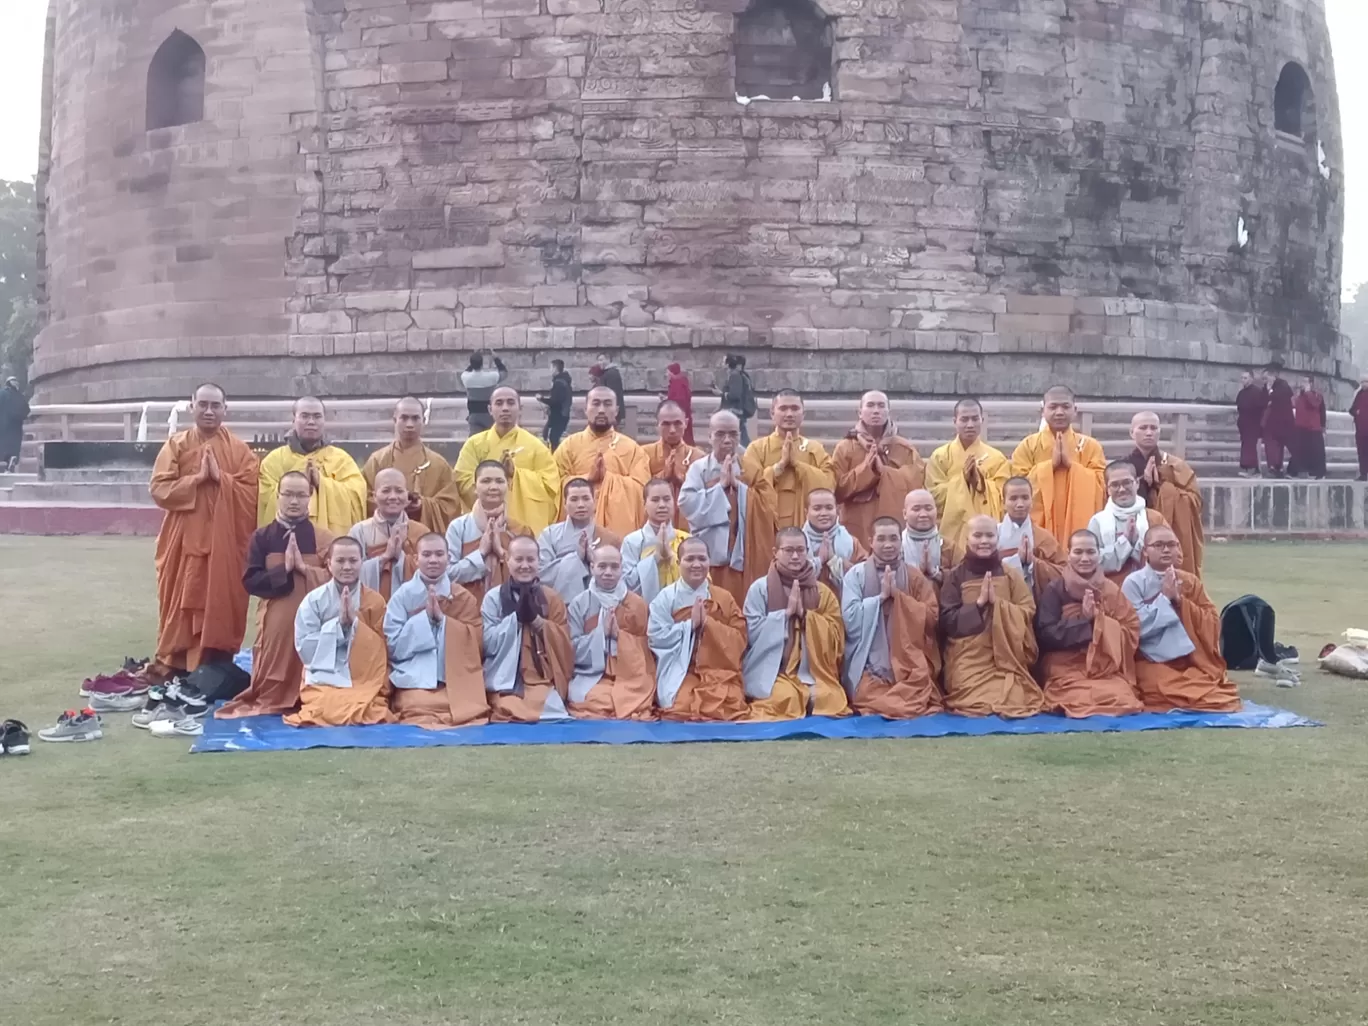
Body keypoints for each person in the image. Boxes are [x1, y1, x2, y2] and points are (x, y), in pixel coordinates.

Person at [149, 383, 260, 679]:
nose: (209, 411)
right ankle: (176, 659)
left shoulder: (240, 451)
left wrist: (221, 479)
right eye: (203, 405)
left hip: (224, 542)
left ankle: (215, 658)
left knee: (220, 598)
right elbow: (159, 490)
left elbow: (253, 492)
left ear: (226, 409)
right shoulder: (177, 445)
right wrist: (196, 480)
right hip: (184, 539)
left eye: (215, 405)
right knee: (181, 598)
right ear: (192, 406)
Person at [219, 472, 334, 719]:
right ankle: (276, 696)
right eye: (288, 494)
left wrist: (306, 570)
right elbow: (250, 580)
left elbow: (339, 579)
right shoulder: (262, 537)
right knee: (273, 677)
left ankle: (310, 695)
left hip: (317, 619)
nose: (294, 501)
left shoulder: (324, 538)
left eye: (301, 495)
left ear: (310, 498)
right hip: (277, 621)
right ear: (278, 496)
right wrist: (285, 571)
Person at [1122, 525, 1241, 713]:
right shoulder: (1134, 583)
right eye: (1159, 545)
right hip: (1150, 660)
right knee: (1168, 690)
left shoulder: (1190, 581)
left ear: (1178, 549)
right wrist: (1164, 599)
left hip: (1190, 659)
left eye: (1171, 544)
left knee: (1216, 695)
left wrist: (1180, 601)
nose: (1166, 550)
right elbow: (1134, 627)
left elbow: (1212, 621)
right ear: (1146, 550)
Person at [939, 515, 1046, 718]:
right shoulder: (955, 576)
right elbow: (947, 621)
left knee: (1017, 696)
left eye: (989, 535)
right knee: (971, 696)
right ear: (967, 539)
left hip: (1007, 655)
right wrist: (978, 605)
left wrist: (999, 605)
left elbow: (1028, 608)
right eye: (977, 535)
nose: (984, 541)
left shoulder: (1009, 573)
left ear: (997, 538)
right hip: (969, 656)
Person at [840, 516, 942, 718]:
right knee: (866, 694)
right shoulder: (856, 575)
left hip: (908, 664)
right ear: (871, 541)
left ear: (900, 541)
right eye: (881, 539)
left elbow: (932, 617)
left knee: (918, 689)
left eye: (894, 538)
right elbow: (849, 618)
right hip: (870, 665)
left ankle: (888, 703)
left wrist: (900, 598)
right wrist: (880, 599)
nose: (888, 544)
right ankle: (887, 703)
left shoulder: (914, 576)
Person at [742, 527, 849, 721]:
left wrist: (806, 616)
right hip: (775, 671)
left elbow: (836, 635)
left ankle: (806, 698)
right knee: (785, 698)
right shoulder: (760, 589)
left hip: (813, 670)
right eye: (788, 550)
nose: (795, 556)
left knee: (828, 698)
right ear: (775, 553)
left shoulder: (822, 591)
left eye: (801, 550)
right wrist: (785, 615)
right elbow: (751, 634)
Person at [384, 533, 489, 729]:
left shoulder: (462, 597)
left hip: (454, 677)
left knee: (464, 705)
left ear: (449, 558)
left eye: (439, 554)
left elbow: (477, 643)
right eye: (427, 554)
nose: (433, 560)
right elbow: (393, 645)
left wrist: (443, 622)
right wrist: (423, 621)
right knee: (416, 704)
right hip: (416, 677)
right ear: (416, 559)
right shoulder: (402, 597)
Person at [286, 536, 394, 727]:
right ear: (329, 564)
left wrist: (355, 627)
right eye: (340, 561)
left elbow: (382, 648)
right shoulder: (314, 601)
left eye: (353, 561)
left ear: (362, 562)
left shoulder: (375, 602)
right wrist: (338, 629)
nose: (347, 567)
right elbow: (304, 646)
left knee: (370, 707)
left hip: (362, 676)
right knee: (323, 707)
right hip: (324, 674)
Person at [1035, 529, 1143, 718]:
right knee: (1075, 696)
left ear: (1099, 554)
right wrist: (1086, 622)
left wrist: (1099, 622)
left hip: (1103, 666)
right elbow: (1046, 634)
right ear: (1068, 554)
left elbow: (1130, 628)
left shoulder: (1110, 590)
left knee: (1121, 696)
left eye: (1091, 552)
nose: (1085, 558)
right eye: (1078, 552)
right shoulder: (1056, 589)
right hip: (1064, 663)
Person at [677, 409, 776, 607]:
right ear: (710, 436)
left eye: (733, 434)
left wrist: (740, 488)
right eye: (721, 434)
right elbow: (687, 504)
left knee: (740, 609)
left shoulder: (750, 468)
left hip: (743, 557)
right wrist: (720, 487)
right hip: (710, 557)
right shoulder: (699, 468)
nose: (728, 440)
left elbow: (769, 506)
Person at [648, 536, 749, 721]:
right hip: (681, 671)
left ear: (709, 562)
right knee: (680, 707)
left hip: (718, 672)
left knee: (729, 702)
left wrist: (709, 624)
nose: (696, 564)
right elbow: (656, 638)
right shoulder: (665, 598)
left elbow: (740, 639)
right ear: (678, 563)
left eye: (702, 559)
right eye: (690, 559)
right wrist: (689, 626)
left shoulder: (723, 597)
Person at [480, 535, 574, 722]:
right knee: (507, 706)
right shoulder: (493, 598)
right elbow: (487, 643)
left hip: (539, 677)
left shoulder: (551, 598)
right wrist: (515, 621)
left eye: (530, 559)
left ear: (539, 562)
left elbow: (564, 644)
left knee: (554, 709)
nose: (525, 565)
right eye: (519, 559)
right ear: (507, 561)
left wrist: (537, 621)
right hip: (505, 678)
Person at [566, 543, 657, 720]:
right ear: (592, 568)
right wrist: (600, 635)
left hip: (631, 675)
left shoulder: (637, 604)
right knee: (594, 699)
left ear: (622, 569)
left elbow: (648, 649)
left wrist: (619, 637)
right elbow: (570, 648)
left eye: (614, 567)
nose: (608, 572)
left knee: (631, 696)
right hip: (593, 675)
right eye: (602, 566)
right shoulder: (579, 603)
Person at [454, 385, 560, 536]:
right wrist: (492, 482)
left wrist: (515, 475)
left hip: (523, 527)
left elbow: (550, 486)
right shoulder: (474, 444)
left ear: (520, 408)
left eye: (511, 403)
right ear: (490, 409)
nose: (505, 408)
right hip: (482, 526)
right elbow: (462, 480)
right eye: (499, 403)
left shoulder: (536, 446)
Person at [257, 396, 367, 535]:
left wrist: (322, 482)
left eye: (317, 416)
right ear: (293, 421)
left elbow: (356, 494)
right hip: (283, 542)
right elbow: (266, 501)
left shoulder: (341, 459)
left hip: (328, 544)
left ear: (324, 421)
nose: (311, 422)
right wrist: (297, 481)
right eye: (304, 416)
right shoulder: (274, 460)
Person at [1010, 385, 1106, 542]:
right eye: (1053, 407)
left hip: (1079, 528)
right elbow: (1016, 486)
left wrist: (1071, 466)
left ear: (1075, 410)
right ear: (1043, 410)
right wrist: (1049, 466)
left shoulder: (1090, 446)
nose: (1059, 412)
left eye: (1066, 407)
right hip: (1039, 528)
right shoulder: (1028, 446)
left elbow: (1102, 486)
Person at [832, 390, 926, 549]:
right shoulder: (845, 448)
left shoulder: (903, 448)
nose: (876, 410)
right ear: (860, 412)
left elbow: (916, 486)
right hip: (858, 522)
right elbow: (837, 489)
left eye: (881, 406)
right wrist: (866, 470)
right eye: (870, 405)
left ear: (889, 412)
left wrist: (885, 473)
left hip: (894, 521)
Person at [555, 385, 651, 536]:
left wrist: (609, 480)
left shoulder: (632, 449)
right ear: (585, 409)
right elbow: (554, 486)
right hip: (575, 533)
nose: (601, 410)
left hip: (617, 534)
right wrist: (587, 479)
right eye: (595, 403)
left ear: (617, 410)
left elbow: (643, 491)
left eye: (607, 404)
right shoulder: (568, 446)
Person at [361, 396, 463, 534]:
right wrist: (391, 505)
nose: (410, 424)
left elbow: (450, 506)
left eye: (415, 418)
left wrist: (423, 506)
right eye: (404, 418)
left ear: (423, 421)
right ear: (395, 420)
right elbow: (363, 498)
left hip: (424, 538)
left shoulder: (438, 464)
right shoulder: (377, 460)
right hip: (383, 534)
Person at [926, 398, 1010, 558]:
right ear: (954, 421)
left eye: (975, 419)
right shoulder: (940, 456)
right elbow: (933, 496)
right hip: (952, 531)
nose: (970, 424)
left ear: (982, 420)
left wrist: (980, 482)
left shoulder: (996, 458)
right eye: (964, 419)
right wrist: (962, 480)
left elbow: (1003, 497)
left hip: (985, 534)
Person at [1125, 411, 1204, 575]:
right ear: (1132, 432)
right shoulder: (1122, 467)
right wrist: (1142, 484)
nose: (1149, 432)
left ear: (1159, 432)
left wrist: (1162, 486)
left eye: (1153, 428)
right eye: (1143, 428)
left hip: (1169, 534)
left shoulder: (1175, 466)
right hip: (1134, 531)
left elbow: (1195, 501)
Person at [743, 389, 834, 531]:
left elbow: (829, 485)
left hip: (806, 528)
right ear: (772, 413)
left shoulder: (815, 449)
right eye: (783, 409)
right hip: (767, 526)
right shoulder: (757, 449)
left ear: (803, 414)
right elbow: (750, 486)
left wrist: (797, 465)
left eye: (795, 409)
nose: (789, 414)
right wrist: (779, 467)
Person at [444, 460, 533, 603]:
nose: (493, 487)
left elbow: (531, 574)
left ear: (508, 485)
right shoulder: (458, 527)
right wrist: (480, 554)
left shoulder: (520, 529)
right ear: (474, 487)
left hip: (511, 607)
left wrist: (501, 553)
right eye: (486, 481)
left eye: (499, 481)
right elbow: (446, 575)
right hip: (467, 607)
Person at [537, 478, 622, 601]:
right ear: (565, 504)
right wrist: (576, 558)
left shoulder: (610, 539)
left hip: (599, 605)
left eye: (586, 498)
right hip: (556, 606)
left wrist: (592, 560)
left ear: (595, 502)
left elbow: (618, 578)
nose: (581, 505)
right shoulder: (549, 534)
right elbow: (541, 574)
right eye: (574, 499)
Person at [349, 468, 427, 600]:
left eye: (399, 491)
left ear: (407, 496)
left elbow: (431, 574)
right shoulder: (359, 531)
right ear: (374, 496)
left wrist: (401, 557)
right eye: (385, 491)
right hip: (370, 609)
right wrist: (384, 558)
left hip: (412, 608)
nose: (393, 497)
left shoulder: (421, 532)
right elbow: (349, 573)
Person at [1087, 461, 1169, 585]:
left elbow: (1172, 556)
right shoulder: (1097, 522)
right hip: (1110, 593)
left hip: (1150, 591)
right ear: (1107, 489)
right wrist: (1125, 542)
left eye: (1127, 483)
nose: (1121, 489)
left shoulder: (1154, 518)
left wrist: (1137, 545)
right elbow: (1090, 561)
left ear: (1137, 483)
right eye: (1115, 485)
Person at [621, 478, 690, 602]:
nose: (662, 505)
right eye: (655, 500)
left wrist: (671, 557)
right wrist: (656, 558)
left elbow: (698, 577)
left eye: (667, 499)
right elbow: (626, 584)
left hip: (680, 607)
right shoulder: (632, 541)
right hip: (644, 611)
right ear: (644, 505)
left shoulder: (685, 540)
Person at [998, 476, 1065, 597]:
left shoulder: (1044, 537)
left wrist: (1033, 563)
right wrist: (1016, 560)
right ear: (1003, 503)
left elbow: (1064, 572)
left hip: (1034, 600)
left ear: (1032, 501)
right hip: (1001, 599)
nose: (1020, 504)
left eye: (1025, 498)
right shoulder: (994, 533)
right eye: (1013, 498)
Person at [642, 400, 703, 529]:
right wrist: (663, 477)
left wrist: (681, 480)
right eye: (666, 424)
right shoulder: (643, 454)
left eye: (677, 423)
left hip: (688, 528)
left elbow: (705, 497)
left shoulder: (698, 457)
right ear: (657, 425)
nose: (672, 430)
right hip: (652, 527)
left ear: (686, 423)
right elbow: (638, 491)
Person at [803, 487, 866, 596]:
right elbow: (789, 576)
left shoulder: (851, 542)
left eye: (829, 508)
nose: (823, 513)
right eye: (817, 508)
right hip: (807, 606)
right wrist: (819, 561)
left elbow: (864, 578)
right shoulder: (796, 543)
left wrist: (834, 560)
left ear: (837, 511)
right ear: (806, 512)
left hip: (843, 605)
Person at [901, 488, 951, 585]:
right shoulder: (897, 546)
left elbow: (962, 577)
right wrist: (919, 572)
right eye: (916, 509)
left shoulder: (948, 545)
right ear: (905, 514)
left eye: (928, 508)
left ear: (936, 511)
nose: (923, 514)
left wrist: (935, 573)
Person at [1290, 375, 1327, 479]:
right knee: (1299, 451)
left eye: (1305, 381)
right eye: (1302, 381)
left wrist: (1307, 393)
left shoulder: (1316, 395)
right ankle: (1299, 471)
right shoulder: (1300, 396)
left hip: (1313, 427)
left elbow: (1315, 405)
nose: (1303, 383)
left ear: (1311, 383)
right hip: (1301, 427)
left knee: (1316, 452)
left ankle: (1318, 473)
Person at [1261, 363, 1295, 478]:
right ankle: (1274, 467)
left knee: (1281, 446)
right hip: (1272, 422)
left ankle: (1281, 468)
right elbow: (1264, 401)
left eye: (1266, 378)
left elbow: (1277, 399)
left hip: (1283, 422)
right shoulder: (1266, 387)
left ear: (1273, 376)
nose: (1264, 381)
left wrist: (1270, 393)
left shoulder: (1283, 385)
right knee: (1271, 446)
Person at [461, 351, 507, 433]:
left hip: (474, 415)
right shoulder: (492, 376)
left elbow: (467, 370)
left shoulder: (466, 378)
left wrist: (475, 356)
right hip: (489, 414)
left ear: (471, 363)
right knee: (491, 438)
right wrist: (496, 359)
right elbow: (504, 372)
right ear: (482, 363)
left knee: (475, 440)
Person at [719, 353, 758, 446]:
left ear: (728, 364)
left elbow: (735, 395)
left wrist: (721, 394)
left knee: (741, 440)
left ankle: (749, 455)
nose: (722, 364)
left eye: (724, 361)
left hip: (735, 412)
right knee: (741, 438)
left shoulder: (734, 375)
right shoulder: (741, 375)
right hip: (738, 412)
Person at [1235, 370, 1267, 477]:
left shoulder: (1257, 392)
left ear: (1251, 379)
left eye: (1245, 378)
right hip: (1244, 423)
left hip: (1253, 423)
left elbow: (1261, 408)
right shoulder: (1241, 393)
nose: (1243, 380)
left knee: (1251, 447)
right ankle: (1247, 468)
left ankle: (1253, 470)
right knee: (1246, 446)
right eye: (1242, 378)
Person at [538, 358, 573, 449]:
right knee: (551, 436)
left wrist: (542, 399)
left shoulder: (559, 383)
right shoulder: (564, 381)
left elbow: (555, 401)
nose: (550, 370)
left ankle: (556, 457)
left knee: (552, 438)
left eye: (551, 367)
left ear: (555, 368)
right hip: (560, 414)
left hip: (559, 415)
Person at [0, 376, 28, 472]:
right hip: (16, 427)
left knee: (3, 447)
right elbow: (27, 411)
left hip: (3, 426)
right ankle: (11, 463)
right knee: (14, 448)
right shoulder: (19, 396)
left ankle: (5, 467)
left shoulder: (2, 394)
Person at [664, 362, 696, 446]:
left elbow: (679, 399)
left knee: (683, 435)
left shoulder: (677, 383)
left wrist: (668, 400)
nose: (667, 374)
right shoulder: (681, 381)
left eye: (668, 372)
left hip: (679, 413)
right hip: (684, 413)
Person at [595, 351, 626, 426]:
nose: (599, 363)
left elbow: (612, 394)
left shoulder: (611, 374)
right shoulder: (610, 372)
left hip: (611, 412)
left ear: (608, 360)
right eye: (598, 360)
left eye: (601, 360)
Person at [1352, 374, 1368, 481]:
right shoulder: (1359, 394)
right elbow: (1352, 409)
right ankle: (1363, 473)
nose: (1363, 384)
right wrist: (1356, 412)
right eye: (1362, 382)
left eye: (1365, 382)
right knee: (1362, 452)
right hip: (1360, 429)